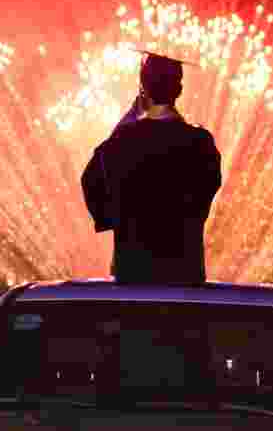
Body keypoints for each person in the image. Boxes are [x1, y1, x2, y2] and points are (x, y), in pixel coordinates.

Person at [81, 52, 222, 284]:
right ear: (178, 90)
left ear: (143, 88)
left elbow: (91, 181)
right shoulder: (200, 143)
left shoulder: (122, 141)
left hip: (132, 271)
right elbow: (208, 188)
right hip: (184, 271)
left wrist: (115, 217)